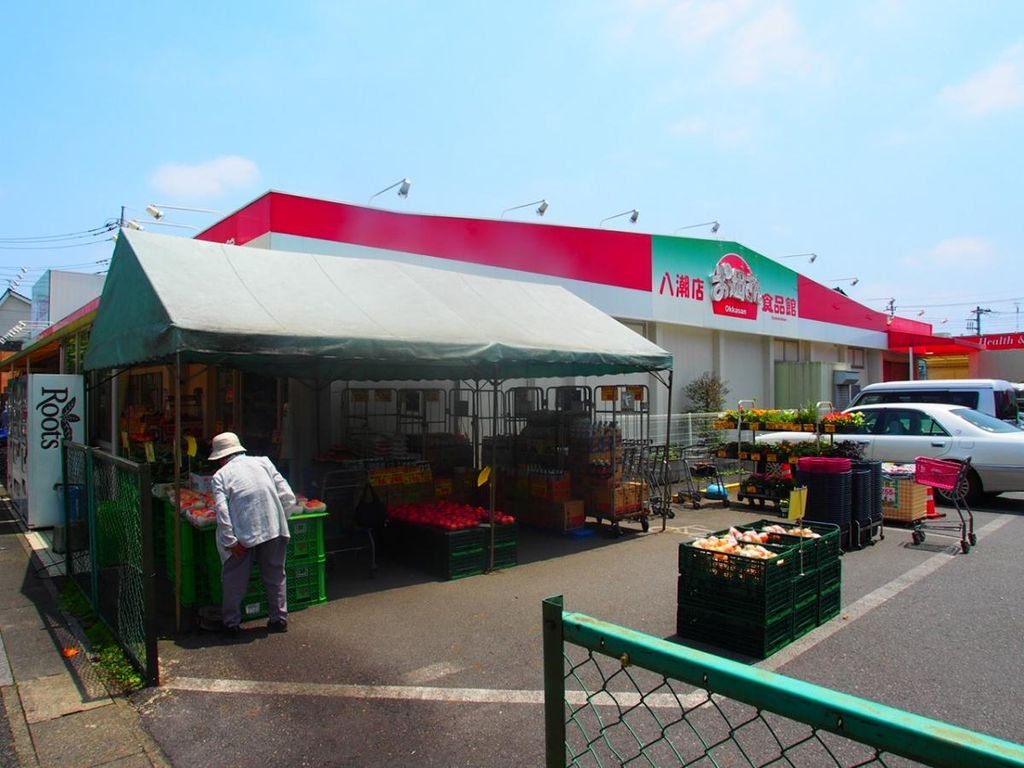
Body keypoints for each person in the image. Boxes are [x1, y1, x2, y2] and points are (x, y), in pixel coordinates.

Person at [209, 431, 296, 636]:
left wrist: (230, 541)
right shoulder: (263, 462)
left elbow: (222, 511)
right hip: (274, 527)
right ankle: (279, 619)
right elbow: (287, 495)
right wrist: (280, 517)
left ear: (221, 457)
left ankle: (231, 624)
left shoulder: (220, 475)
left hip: (243, 533)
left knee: (234, 578)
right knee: (275, 574)